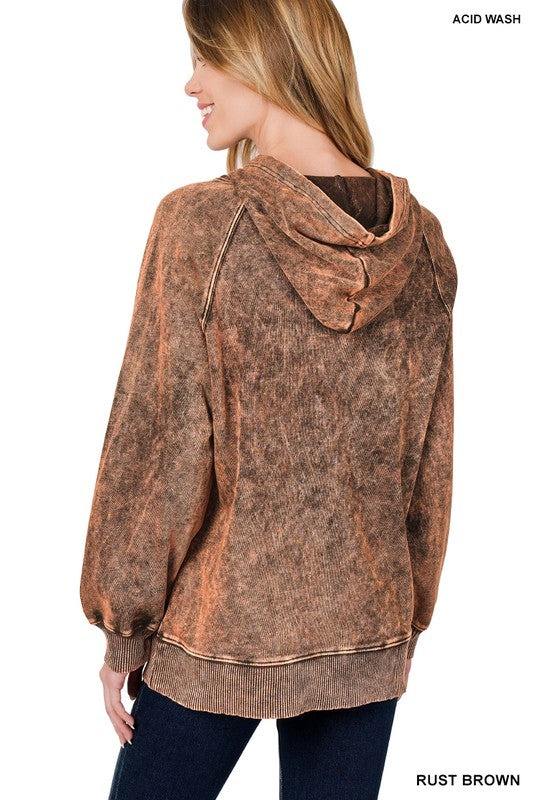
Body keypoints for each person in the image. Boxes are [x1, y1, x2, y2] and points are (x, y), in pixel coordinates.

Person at [79, 0, 458, 797]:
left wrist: (123, 629)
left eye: (206, 58)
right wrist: (406, 618)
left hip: (220, 632)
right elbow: (427, 463)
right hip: (367, 626)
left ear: (263, 57)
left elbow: (158, 445)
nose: (191, 84)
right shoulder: (421, 240)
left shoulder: (200, 224)